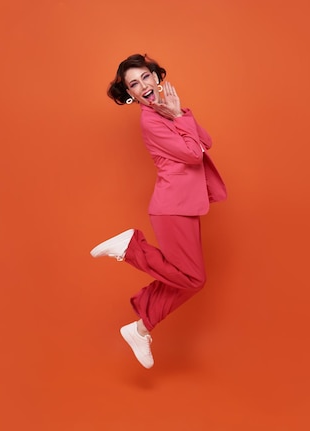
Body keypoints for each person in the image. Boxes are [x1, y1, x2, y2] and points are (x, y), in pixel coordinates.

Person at [90, 54, 227, 369]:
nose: (143, 86)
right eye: (134, 85)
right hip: (172, 207)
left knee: (185, 278)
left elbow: (206, 141)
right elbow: (194, 155)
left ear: (156, 77)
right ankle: (130, 248)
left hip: (184, 206)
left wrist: (178, 113)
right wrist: (178, 116)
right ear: (131, 95)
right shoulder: (151, 120)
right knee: (194, 279)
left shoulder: (164, 112)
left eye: (145, 77)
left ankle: (139, 328)